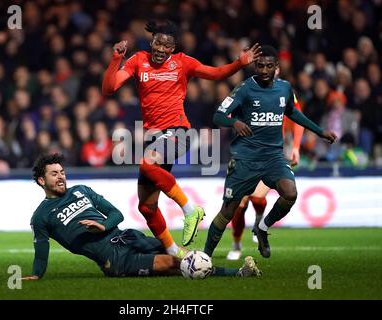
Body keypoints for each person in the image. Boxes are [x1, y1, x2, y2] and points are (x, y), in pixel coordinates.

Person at [102, 20, 261, 258]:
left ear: (173, 48)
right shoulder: (137, 60)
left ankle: (190, 210)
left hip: (178, 132)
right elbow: (108, 89)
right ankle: (174, 252)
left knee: (147, 163)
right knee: (146, 207)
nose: (161, 48)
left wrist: (239, 63)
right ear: (151, 41)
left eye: (167, 45)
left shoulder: (183, 63)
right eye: (158, 42)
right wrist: (116, 59)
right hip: (155, 139)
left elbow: (215, 74)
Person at [21, 153, 262, 279]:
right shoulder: (41, 216)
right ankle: (238, 274)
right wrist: (35, 274)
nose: (61, 177)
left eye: (62, 172)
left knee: (178, 253)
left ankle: (238, 273)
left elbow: (116, 214)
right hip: (113, 259)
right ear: (42, 181)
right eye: (54, 174)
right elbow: (41, 251)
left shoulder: (81, 190)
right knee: (172, 264)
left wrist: (103, 226)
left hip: (128, 237)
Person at [204, 46, 337, 259]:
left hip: (273, 157)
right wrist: (235, 122)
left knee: (290, 193)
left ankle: (263, 228)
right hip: (245, 158)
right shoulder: (244, 88)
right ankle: (206, 257)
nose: (264, 70)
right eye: (260, 65)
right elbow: (218, 116)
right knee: (228, 212)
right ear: (255, 66)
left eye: (268, 66)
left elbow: (293, 113)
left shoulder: (285, 88)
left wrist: (320, 131)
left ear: (277, 67)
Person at [227, 75, 305, 261]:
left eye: (272, 67)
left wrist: (295, 146)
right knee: (240, 205)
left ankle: (259, 222)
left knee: (257, 196)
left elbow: (298, 117)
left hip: (271, 154)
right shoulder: (248, 89)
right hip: (247, 154)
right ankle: (237, 243)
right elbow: (229, 112)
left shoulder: (284, 90)